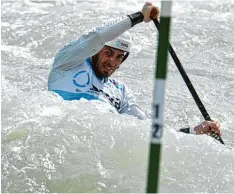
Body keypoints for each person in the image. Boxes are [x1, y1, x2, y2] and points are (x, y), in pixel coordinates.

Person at [48, 2, 221, 137]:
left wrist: (194, 130)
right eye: (108, 53)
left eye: (119, 57)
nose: (112, 61)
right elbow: (97, 36)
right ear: (96, 51)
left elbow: (146, 132)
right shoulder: (68, 62)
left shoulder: (120, 91)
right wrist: (139, 17)